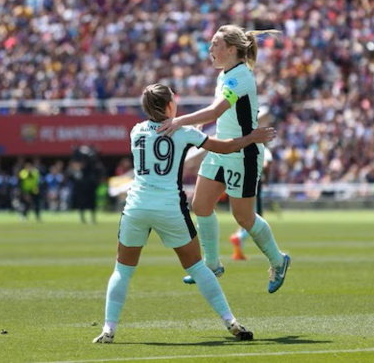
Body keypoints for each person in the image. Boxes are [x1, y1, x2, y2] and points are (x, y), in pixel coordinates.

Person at [92, 83, 276, 344]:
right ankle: (230, 321)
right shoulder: (184, 132)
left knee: (123, 270)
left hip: (136, 207)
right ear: (169, 106)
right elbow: (222, 147)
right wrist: (250, 138)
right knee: (199, 268)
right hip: (169, 208)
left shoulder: (136, 131)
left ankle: (109, 329)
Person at [158, 24, 290, 294]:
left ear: (231, 49)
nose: (210, 49)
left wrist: (178, 121)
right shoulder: (227, 74)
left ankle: (279, 260)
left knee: (243, 217)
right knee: (201, 205)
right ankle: (212, 264)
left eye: (215, 44)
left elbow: (216, 111)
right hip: (223, 149)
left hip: (243, 153)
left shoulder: (239, 77)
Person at [229, 147, 273, 260]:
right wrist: (266, 179)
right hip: (254, 182)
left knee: (244, 216)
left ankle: (238, 252)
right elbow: (266, 165)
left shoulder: (244, 146)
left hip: (240, 180)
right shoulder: (263, 149)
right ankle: (239, 236)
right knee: (256, 217)